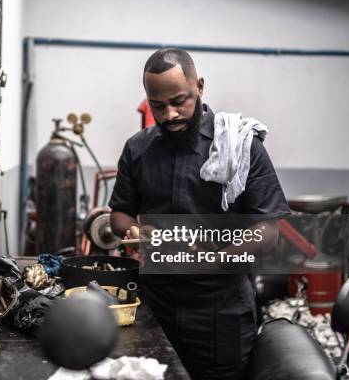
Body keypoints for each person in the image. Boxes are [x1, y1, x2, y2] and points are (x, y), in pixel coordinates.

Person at [109, 48, 290, 379]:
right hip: (156, 306)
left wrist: (215, 258)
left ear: (200, 87)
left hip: (221, 313)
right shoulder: (138, 149)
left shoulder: (239, 146)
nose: (170, 114)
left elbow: (268, 230)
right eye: (158, 105)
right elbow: (119, 214)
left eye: (180, 101)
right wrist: (131, 233)